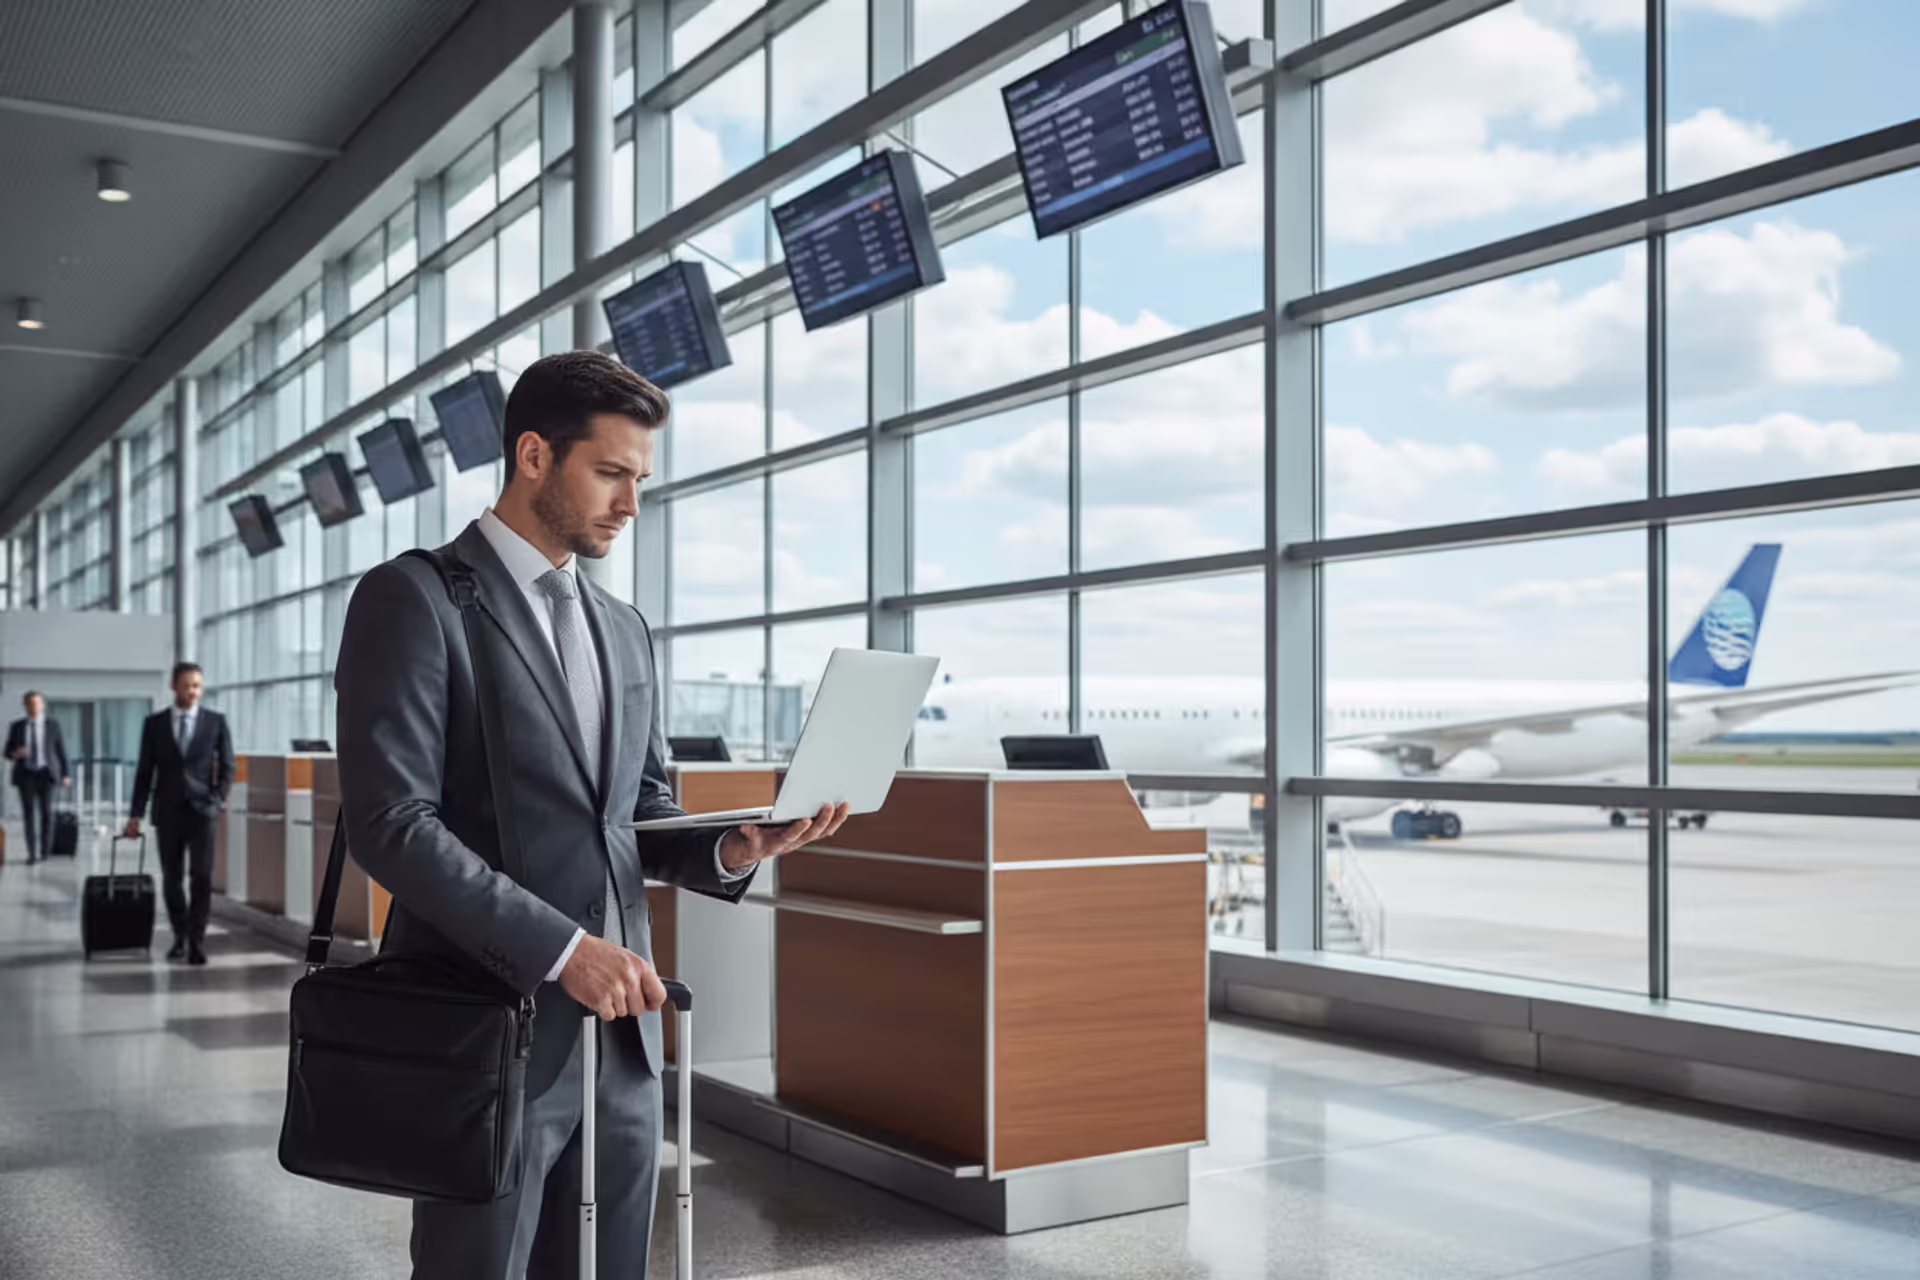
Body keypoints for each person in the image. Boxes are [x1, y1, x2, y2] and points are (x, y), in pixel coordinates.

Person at [335, 350, 848, 1279]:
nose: (630, 503)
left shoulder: (624, 629)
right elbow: (392, 823)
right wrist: (564, 952)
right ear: (534, 455)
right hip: (487, 1032)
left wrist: (733, 843)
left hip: (623, 1041)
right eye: (610, 473)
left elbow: (635, 809)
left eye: (640, 479)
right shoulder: (413, 599)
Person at [123, 663, 236, 965]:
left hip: (203, 814)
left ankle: (197, 941)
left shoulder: (215, 722)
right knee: (172, 878)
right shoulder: (155, 724)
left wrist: (216, 800)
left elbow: (228, 768)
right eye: (187, 685)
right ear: (173, 685)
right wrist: (135, 814)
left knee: (201, 876)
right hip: (168, 813)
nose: (192, 691)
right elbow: (145, 773)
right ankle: (179, 937)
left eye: (197, 685)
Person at [6, 692, 71, 863]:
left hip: (46, 773)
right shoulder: (17, 726)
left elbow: (60, 751)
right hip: (26, 774)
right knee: (29, 815)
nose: (33, 707)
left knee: (46, 814)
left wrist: (65, 774)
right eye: (30, 704)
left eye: (36, 703)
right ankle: (31, 854)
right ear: (25, 706)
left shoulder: (52, 725)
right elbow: (6, 752)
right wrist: (16, 753)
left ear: (42, 705)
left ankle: (44, 852)